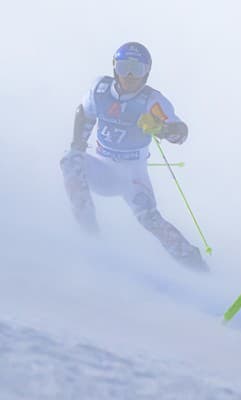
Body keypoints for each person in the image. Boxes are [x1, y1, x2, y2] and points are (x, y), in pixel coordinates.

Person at [60, 42, 208, 271]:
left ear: (146, 72)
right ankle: (89, 236)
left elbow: (180, 132)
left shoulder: (151, 101)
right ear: (114, 68)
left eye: (136, 70)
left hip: (131, 175)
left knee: (148, 217)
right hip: (102, 167)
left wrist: (161, 129)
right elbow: (85, 112)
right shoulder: (100, 90)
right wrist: (78, 145)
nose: (129, 76)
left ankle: (195, 265)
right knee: (70, 160)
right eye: (123, 67)